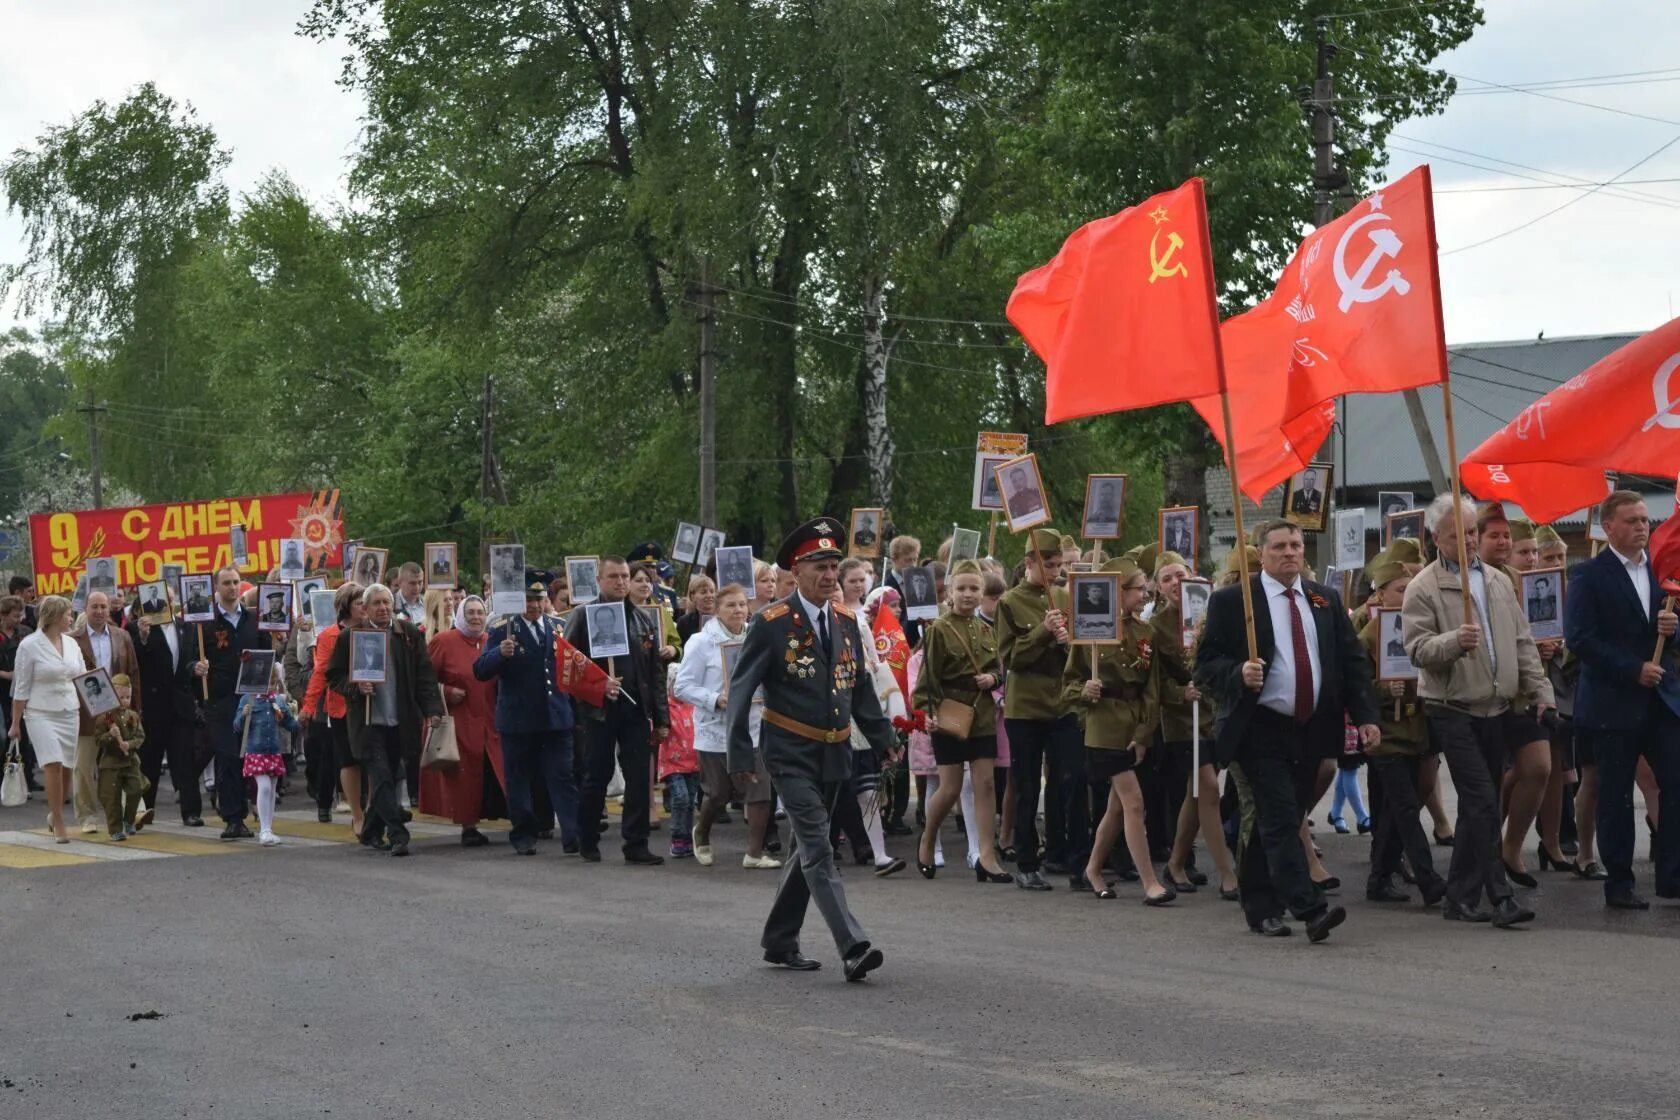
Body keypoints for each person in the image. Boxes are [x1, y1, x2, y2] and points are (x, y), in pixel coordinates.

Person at [725, 517, 899, 979]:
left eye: (833, 566)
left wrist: (884, 740)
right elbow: (740, 694)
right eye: (818, 566)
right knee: (820, 845)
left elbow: (857, 687)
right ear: (795, 572)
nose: (828, 575)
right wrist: (740, 755)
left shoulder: (845, 620)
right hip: (789, 752)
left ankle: (779, 941)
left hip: (835, 751)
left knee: (807, 847)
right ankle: (852, 945)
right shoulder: (770, 623)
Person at [1197, 520, 1379, 942]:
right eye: (1279, 546)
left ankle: (1261, 905)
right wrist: (1238, 672)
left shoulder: (1324, 600)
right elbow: (1205, 665)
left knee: (1280, 816)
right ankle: (1309, 908)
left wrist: (1366, 717)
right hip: (1259, 726)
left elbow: (1351, 664)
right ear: (1262, 553)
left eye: (1296, 545)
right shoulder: (1233, 602)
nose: (1289, 552)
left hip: (1312, 726)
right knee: (1278, 816)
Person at [1401, 496, 1552, 927]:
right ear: (1436, 539)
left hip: (1496, 704)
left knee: (1475, 807)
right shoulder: (1424, 587)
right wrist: (1453, 642)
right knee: (1483, 801)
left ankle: (1460, 897)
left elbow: (1522, 642)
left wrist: (1541, 692)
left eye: (1471, 532)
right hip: (1452, 706)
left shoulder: (1500, 581)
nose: (1468, 541)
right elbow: (1415, 649)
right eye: (1458, 534)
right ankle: (1500, 896)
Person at [1565, 490, 1680, 909]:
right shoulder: (1589, 575)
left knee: (1675, 781)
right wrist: (1633, 668)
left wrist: (1673, 624)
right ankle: (1620, 883)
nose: (1641, 527)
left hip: (1659, 701)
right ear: (1608, 526)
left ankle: (1672, 875)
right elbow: (1580, 638)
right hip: (1613, 702)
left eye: (1645, 519)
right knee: (1614, 795)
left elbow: (1667, 633)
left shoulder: (1660, 571)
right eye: (1631, 520)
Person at [1064, 556, 1175, 904]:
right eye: (1138, 588)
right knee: (1134, 802)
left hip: (1134, 723)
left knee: (1116, 808)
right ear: (1118, 591)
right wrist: (1085, 690)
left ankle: (1093, 868)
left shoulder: (1147, 632)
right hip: (1103, 725)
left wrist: (1144, 732)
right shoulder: (1090, 630)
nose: (1144, 594)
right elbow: (1068, 684)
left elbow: (1152, 689)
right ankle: (1149, 883)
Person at [996, 527, 1087, 891]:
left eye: (1059, 565)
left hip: (1063, 703)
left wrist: (1070, 642)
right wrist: (1043, 633)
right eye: (1048, 565)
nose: (1055, 572)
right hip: (1026, 708)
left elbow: (1081, 656)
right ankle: (1027, 861)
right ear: (1031, 563)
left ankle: (1081, 862)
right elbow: (1011, 658)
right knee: (1028, 785)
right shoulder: (1009, 602)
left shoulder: (1066, 596)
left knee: (1075, 779)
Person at [326, 583, 445, 857]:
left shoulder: (408, 634)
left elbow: (424, 676)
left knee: (389, 775)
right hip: (367, 721)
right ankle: (398, 832)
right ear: (364, 609)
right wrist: (356, 687)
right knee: (380, 777)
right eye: (376, 603)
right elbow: (334, 676)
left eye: (386, 603)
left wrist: (432, 709)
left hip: (399, 720)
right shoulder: (351, 638)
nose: (382, 608)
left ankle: (370, 831)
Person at [565, 556, 669, 864]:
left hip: (635, 708)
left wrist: (661, 717)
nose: (621, 582)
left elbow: (655, 674)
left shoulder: (642, 618)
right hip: (598, 710)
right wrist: (598, 685)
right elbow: (567, 665)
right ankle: (587, 837)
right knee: (598, 774)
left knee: (639, 776)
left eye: (624, 576)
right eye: (613, 576)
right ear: (599, 580)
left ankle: (636, 842)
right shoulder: (584, 616)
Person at [911, 559, 1010, 884]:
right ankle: (927, 838)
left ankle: (987, 855)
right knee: (950, 787)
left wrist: (992, 678)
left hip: (981, 713)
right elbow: (928, 677)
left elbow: (999, 669)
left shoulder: (986, 629)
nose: (968, 595)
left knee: (985, 784)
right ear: (950, 592)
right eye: (962, 588)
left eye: (974, 589)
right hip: (950, 712)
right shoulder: (939, 629)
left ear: (983, 593)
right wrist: (927, 712)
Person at [1358, 553, 1447, 906]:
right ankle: (1429, 881)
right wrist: (1382, 689)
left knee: (1397, 811)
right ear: (1380, 594)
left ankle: (1379, 878)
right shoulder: (1368, 636)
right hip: (1385, 734)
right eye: (1400, 589)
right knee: (1406, 809)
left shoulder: (1419, 626)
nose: (1408, 593)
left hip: (1415, 730)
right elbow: (1352, 685)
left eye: (1411, 587)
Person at [674, 583, 779, 868]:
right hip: (715, 729)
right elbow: (682, 686)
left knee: (760, 791)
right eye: (731, 605)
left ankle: (754, 853)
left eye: (742, 604)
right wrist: (714, 699)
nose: (738, 610)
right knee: (718, 793)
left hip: (753, 726)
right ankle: (702, 832)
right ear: (717, 610)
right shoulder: (701, 641)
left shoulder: (757, 636)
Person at [1152, 554, 1237, 898]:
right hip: (1180, 720)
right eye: (1167, 578)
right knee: (1209, 789)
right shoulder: (1155, 627)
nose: (1175, 583)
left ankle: (1175, 863)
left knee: (1195, 794)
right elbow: (1152, 683)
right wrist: (1179, 692)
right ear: (1157, 588)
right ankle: (1226, 872)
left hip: (1210, 716)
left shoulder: (1208, 616)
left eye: (1180, 576)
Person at [1477, 502, 1553, 886]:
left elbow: (1527, 636)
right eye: (1495, 535)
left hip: (1521, 693)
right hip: (1481, 695)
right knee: (1487, 783)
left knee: (1538, 767)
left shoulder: (1514, 581)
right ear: (1476, 539)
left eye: (1507, 535)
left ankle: (1511, 848)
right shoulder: (1464, 581)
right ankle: (1483, 856)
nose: (1504, 541)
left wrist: (1547, 656)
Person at [474, 581, 579, 855]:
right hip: (518, 719)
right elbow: (480, 670)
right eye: (527, 600)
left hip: (555, 717)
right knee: (518, 779)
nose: (533, 605)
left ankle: (573, 833)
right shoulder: (502, 629)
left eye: (539, 599)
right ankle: (523, 834)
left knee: (562, 777)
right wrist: (500, 653)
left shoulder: (558, 627)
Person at [182, 567, 263, 839]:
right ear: (216, 587)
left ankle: (244, 809)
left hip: (250, 698)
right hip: (219, 700)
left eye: (236, 582)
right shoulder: (204, 622)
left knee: (245, 757)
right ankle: (233, 817)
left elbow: (266, 654)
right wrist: (196, 668)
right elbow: (188, 660)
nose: (232, 587)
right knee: (227, 756)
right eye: (226, 583)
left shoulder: (253, 620)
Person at [424, 595, 508, 848]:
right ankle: (468, 826)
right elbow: (426, 680)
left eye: (480, 612)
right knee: (465, 775)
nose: (475, 617)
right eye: (470, 612)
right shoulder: (444, 641)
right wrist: (447, 693)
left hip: (491, 720)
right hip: (459, 720)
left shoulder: (491, 642)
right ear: (461, 614)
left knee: (495, 770)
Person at [8, 595, 86, 842]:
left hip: (69, 712)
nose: (71, 618)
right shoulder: (29, 646)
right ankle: (59, 820)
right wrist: (15, 722)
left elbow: (84, 677)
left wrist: (103, 702)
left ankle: (55, 814)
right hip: (40, 713)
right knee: (51, 764)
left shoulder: (72, 645)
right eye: (68, 614)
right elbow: (21, 686)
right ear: (54, 616)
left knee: (66, 768)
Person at [71, 591, 142, 834]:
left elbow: (133, 673)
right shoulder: (73, 639)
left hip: (118, 710)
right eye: (95, 607)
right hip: (85, 711)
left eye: (103, 606)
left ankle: (130, 813)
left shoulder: (123, 637)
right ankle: (87, 816)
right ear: (85, 609)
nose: (100, 611)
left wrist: (135, 709)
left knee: (125, 761)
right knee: (84, 766)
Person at [128, 599, 203, 826]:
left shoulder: (186, 626)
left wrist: (195, 668)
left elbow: (189, 659)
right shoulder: (138, 627)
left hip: (181, 704)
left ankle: (191, 812)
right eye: (161, 600)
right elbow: (136, 661)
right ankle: (144, 811)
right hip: (153, 704)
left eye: (168, 600)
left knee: (185, 761)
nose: (165, 605)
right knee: (149, 761)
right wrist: (142, 637)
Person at [302, 583, 366, 834]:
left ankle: (372, 808)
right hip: (340, 707)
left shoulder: (374, 630)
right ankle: (356, 813)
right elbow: (321, 674)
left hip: (370, 704)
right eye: (359, 602)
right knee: (346, 760)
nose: (364, 607)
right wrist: (308, 707)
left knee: (371, 759)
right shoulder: (329, 636)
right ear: (346, 607)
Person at [233, 683, 299, 846]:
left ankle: (268, 828)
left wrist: (298, 717)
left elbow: (290, 725)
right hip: (255, 751)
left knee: (271, 791)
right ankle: (264, 831)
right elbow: (236, 726)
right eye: (266, 681)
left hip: (273, 751)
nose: (269, 685)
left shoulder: (278, 700)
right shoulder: (247, 699)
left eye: (272, 682)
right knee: (265, 787)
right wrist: (243, 715)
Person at [93, 673, 147, 840]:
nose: (125, 700)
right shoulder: (105, 717)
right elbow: (98, 741)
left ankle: (129, 820)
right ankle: (115, 829)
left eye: (128, 697)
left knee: (136, 789)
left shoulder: (133, 716)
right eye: (121, 697)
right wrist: (110, 734)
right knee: (112, 798)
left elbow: (140, 736)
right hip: (111, 763)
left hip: (130, 761)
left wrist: (129, 745)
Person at [678, 574, 715, 644]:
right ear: (692, 597)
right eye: (703, 592)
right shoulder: (684, 622)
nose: (709, 595)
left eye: (712, 591)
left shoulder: (723, 620)